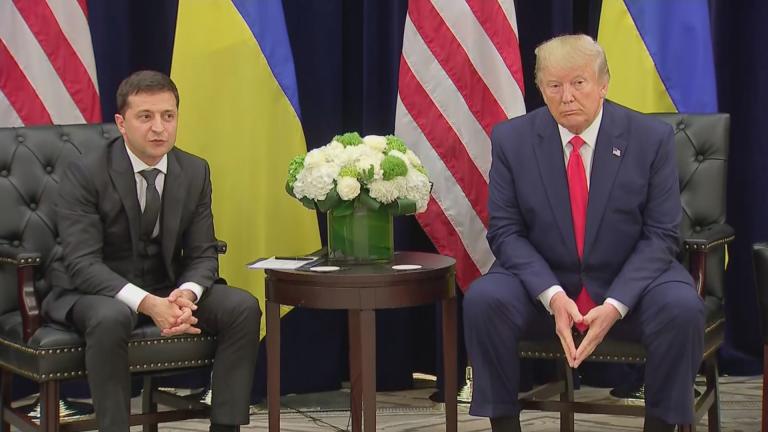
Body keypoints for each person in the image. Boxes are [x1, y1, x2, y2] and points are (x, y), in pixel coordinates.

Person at [463, 35, 704, 432]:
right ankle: (503, 425)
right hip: (545, 285)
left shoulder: (650, 139)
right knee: (484, 300)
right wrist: (554, 296)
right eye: (554, 86)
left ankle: (662, 426)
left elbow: (662, 234)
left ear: (604, 83)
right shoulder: (512, 139)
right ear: (540, 89)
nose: (567, 97)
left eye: (579, 83)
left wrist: (616, 303)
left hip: (631, 284)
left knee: (682, 309)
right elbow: (505, 232)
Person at [42, 70, 261, 432]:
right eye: (146, 117)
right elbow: (82, 264)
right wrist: (149, 304)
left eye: (168, 116)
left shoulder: (193, 170)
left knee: (242, 307)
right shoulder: (85, 172)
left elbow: (204, 252)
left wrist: (185, 294)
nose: (159, 128)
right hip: (96, 290)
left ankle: (226, 427)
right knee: (110, 317)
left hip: (167, 285)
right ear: (121, 123)